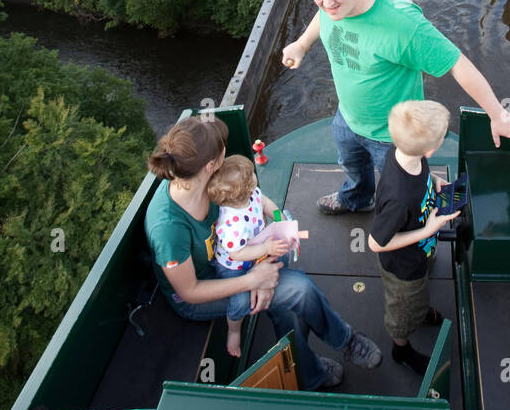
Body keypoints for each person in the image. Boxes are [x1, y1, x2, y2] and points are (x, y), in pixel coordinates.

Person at [281, 0, 510, 215]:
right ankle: (356, 198)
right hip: (348, 119)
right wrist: (302, 44)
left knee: (407, 194)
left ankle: (420, 225)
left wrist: (498, 115)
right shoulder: (333, 3)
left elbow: (456, 63)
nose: (326, 3)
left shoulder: (402, 24)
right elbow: (324, 15)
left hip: (393, 137)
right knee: (352, 167)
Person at [144, 115, 382, 389]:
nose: (226, 151)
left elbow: (255, 211)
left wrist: (266, 264)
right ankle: (343, 343)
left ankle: (308, 370)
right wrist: (255, 280)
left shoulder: (209, 180)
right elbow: (190, 292)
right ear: (211, 165)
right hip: (204, 290)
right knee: (299, 289)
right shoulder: (168, 227)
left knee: (284, 302)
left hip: (239, 262)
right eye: (223, 148)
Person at [368, 100, 460, 374]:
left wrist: (434, 184)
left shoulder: (406, 153)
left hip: (421, 253)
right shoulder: (399, 197)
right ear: (431, 148)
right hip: (404, 268)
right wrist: (427, 231)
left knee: (419, 295)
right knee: (404, 310)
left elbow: (420, 177)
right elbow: (375, 242)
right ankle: (401, 348)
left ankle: (421, 310)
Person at [207, 153, 290, 358]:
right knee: (241, 302)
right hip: (234, 266)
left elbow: (265, 203)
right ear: (244, 190)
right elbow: (236, 253)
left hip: (257, 246)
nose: (255, 177)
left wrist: (279, 217)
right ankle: (234, 330)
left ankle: (273, 274)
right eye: (252, 176)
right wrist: (265, 249)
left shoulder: (252, 195)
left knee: (285, 237)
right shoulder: (231, 224)